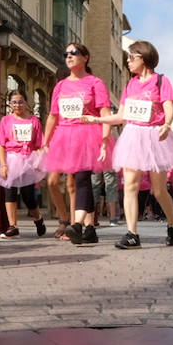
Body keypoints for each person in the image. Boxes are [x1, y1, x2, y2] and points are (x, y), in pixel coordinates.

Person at [84, 40, 173, 249]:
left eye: (132, 57)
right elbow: (121, 116)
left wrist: (167, 124)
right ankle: (132, 234)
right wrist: (96, 119)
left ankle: (172, 223)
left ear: (144, 58)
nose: (128, 62)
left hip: (155, 136)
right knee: (130, 185)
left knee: (158, 190)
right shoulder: (130, 84)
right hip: (133, 136)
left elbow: (169, 108)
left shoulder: (161, 81)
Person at [44, 42, 111, 247]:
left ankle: (78, 224)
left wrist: (104, 140)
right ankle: (90, 230)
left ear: (85, 57)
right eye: (66, 53)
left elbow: (105, 113)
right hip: (64, 136)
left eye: (74, 53)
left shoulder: (95, 83)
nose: (69, 56)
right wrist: (45, 142)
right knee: (79, 182)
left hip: (87, 134)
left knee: (81, 178)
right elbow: (53, 116)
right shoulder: (61, 85)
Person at [0, 89, 47, 239]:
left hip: (28, 160)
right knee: (9, 191)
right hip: (11, 159)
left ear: (26, 103)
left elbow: (39, 145)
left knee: (28, 196)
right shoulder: (6, 121)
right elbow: (1, 144)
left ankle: (38, 219)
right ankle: (13, 226)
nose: (17, 105)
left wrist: (39, 161)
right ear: (9, 104)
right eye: (14, 102)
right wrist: (3, 164)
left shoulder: (34, 121)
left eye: (20, 102)